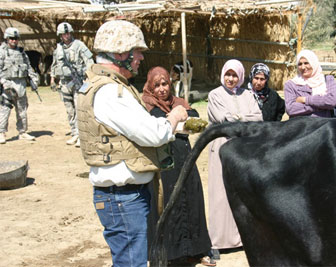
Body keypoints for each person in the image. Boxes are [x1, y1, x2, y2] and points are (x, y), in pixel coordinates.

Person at [76, 20, 188, 267]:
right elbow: (153, 134)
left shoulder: (107, 87)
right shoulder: (110, 93)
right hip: (123, 199)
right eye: (136, 51)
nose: (139, 57)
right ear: (120, 52)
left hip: (123, 197)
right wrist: (175, 115)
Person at [142, 66, 215, 266]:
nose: (162, 89)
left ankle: (196, 250)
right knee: (168, 204)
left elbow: (195, 118)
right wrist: (175, 119)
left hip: (185, 159)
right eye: (157, 85)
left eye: (165, 84)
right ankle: (169, 254)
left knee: (191, 200)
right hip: (164, 164)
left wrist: (179, 118)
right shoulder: (146, 107)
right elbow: (155, 130)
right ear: (150, 87)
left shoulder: (178, 103)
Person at [207, 59, 262, 259]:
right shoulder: (215, 95)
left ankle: (242, 239)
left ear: (240, 76)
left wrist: (238, 117)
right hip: (222, 147)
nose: (231, 79)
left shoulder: (247, 94)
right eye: (228, 74)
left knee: (243, 193)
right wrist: (242, 118)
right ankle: (218, 241)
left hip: (244, 149)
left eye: (235, 75)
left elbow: (258, 118)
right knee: (220, 194)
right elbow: (224, 120)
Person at [50, 22, 94, 147]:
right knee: (70, 110)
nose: (66, 36)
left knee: (79, 108)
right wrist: (52, 79)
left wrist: (88, 77)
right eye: (64, 34)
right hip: (64, 83)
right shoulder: (58, 49)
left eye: (68, 33)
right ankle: (74, 133)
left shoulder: (79, 45)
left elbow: (89, 62)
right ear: (60, 35)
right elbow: (54, 65)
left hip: (78, 82)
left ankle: (82, 135)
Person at [0, 27, 38, 144]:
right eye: (11, 38)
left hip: (20, 85)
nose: (14, 41)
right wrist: (4, 83)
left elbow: (28, 67)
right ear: (7, 39)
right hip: (7, 86)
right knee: (4, 110)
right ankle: (1, 133)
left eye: (16, 39)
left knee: (22, 109)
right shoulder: (2, 52)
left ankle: (22, 132)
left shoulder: (22, 52)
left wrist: (34, 79)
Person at [284, 49, 336, 118]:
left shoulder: (328, 80)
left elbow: (331, 101)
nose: (303, 67)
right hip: (302, 126)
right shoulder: (291, 84)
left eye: (306, 63)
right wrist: (322, 106)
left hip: (324, 125)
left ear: (313, 63)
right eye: (300, 64)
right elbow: (291, 109)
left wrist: (305, 100)